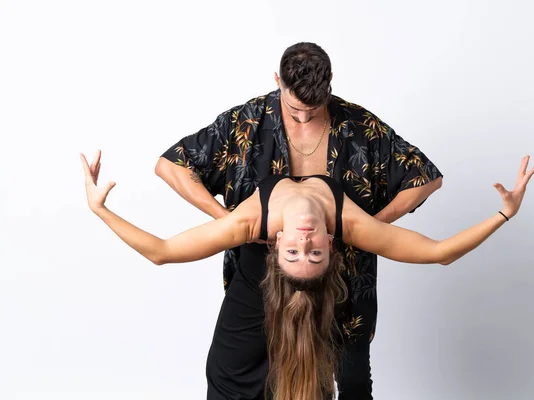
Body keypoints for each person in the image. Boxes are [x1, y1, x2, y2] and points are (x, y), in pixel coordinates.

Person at [80, 150, 534, 400]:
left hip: (287, 308)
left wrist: (101, 211)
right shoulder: (347, 225)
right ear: (331, 246)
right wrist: (504, 214)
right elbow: (438, 253)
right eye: (311, 251)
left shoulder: (253, 224)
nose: (304, 239)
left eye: (300, 250)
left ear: (277, 245)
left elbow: (161, 251)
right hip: (248, 319)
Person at [154, 42, 443, 399]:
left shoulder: (359, 125)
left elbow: (425, 176)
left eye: (314, 109)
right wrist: (229, 223)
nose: (304, 118)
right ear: (278, 81)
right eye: (294, 109)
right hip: (262, 274)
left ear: (330, 82)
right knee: (248, 375)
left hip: (344, 271)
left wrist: (371, 227)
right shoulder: (248, 120)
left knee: (352, 381)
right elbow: (172, 165)